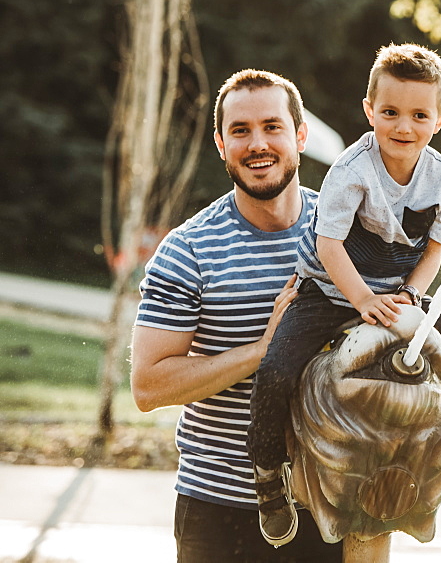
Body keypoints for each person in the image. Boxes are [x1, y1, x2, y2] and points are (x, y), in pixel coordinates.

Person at [247, 43, 441, 547]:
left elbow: (434, 252)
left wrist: (411, 297)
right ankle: (269, 474)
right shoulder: (351, 170)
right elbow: (329, 244)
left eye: (419, 115)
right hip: (333, 289)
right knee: (275, 370)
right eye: (390, 113)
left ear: (440, 118)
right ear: (370, 111)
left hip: (400, 291)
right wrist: (361, 300)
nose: (404, 126)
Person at [130, 69, 344, 562]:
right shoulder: (188, 251)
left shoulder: (348, 237)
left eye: (272, 126)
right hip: (219, 513)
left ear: (301, 135)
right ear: (221, 144)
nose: (258, 144)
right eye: (240, 131)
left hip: (332, 504)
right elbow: (149, 386)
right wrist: (263, 351)